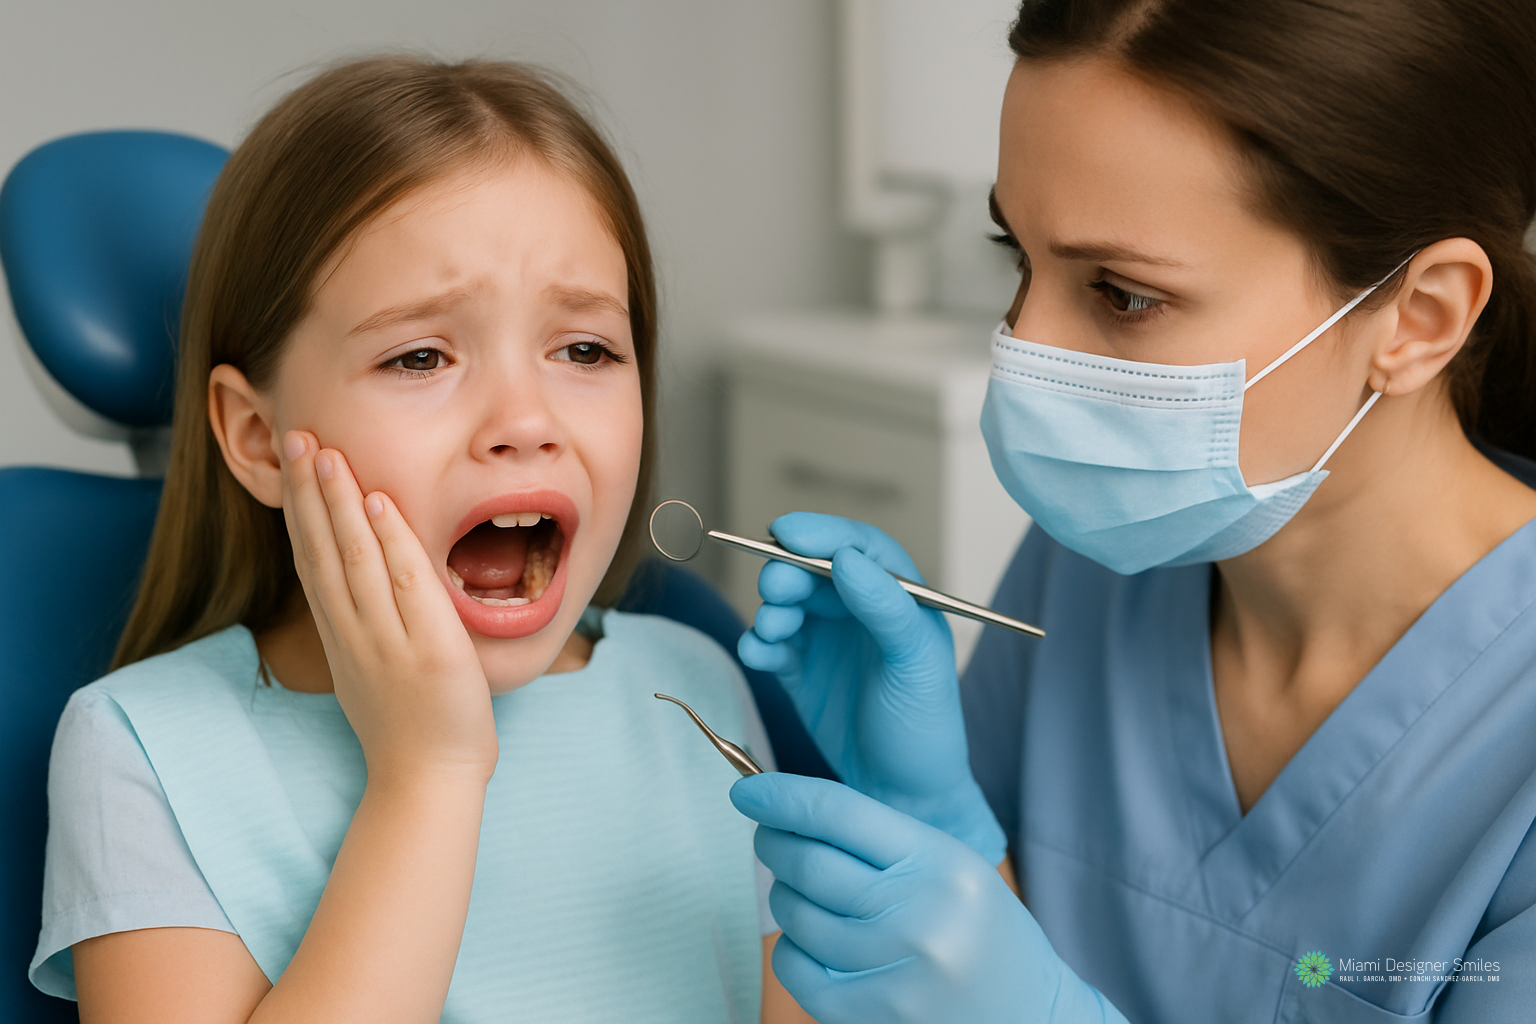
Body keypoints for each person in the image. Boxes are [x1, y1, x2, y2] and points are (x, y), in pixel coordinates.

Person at [730, 0, 1536, 1021]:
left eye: (1121, 294)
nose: (1026, 349)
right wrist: (942, 831)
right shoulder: (1099, 559)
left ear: (1418, 318)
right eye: (1019, 259)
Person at [29, 56, 814, 1023]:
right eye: (420, 355)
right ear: (256, 439)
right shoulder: (141, 750)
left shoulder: (693, 686)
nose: (526, 420)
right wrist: (427, 777)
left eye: (585, 349)